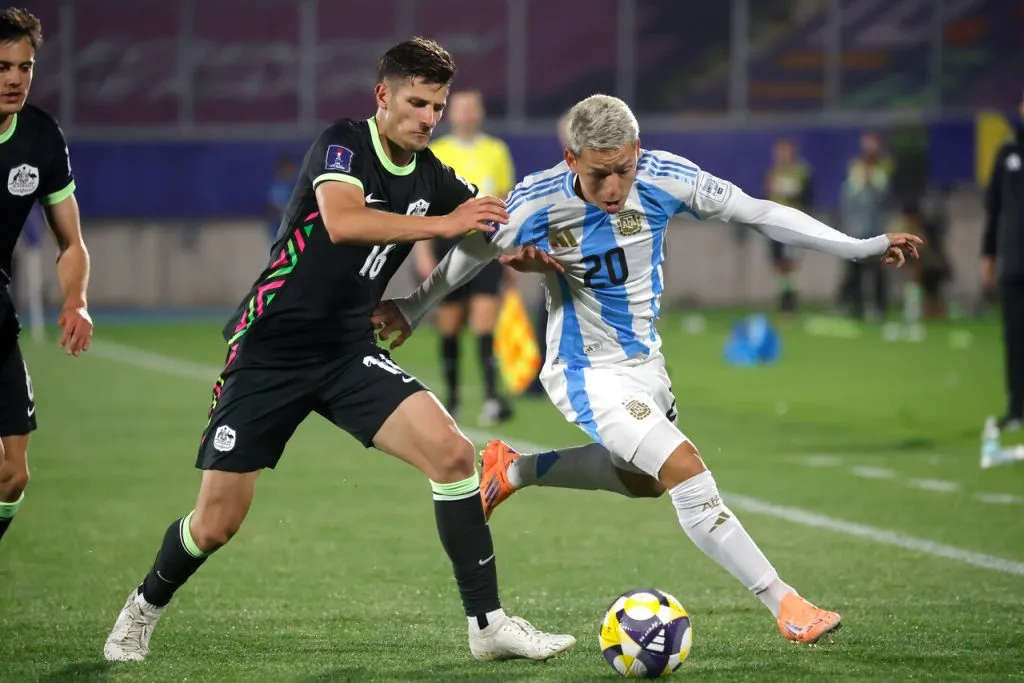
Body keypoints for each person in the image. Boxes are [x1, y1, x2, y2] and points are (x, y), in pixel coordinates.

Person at [373, 94, 922, 645]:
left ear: (638, 151)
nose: (613, 187)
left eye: (623, 171)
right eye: (598, 175)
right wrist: (415, 305)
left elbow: (758, 211)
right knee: (684, 467)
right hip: (585, 369)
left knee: (644, 482)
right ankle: (785, 603)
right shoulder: (536, 199)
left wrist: (857, 248)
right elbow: (476, 250)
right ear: (571, 160)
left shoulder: (667, 177)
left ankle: (512, 470)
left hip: (646, 367)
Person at [102, 38, 574, 664]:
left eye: (437, 105)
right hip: (269, 349)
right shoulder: (343, 142)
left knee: (455, 456)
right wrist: (442, 224)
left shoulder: (431, 173)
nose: (428, 118)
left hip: (347, 350)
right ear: (383, 96)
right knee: (216, 523)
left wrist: (517, 255)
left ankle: (488, 627)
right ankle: (141, 610)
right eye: (416, 102)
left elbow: (487, 228)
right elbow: (343, 222)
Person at [0, 8, 93, 546]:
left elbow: (71, 241)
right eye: (4, 66)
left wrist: (76, 299)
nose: (15, 78)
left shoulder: (40, 137)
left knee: (13, 475)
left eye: (25, 67)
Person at [414, 90, 516, 425]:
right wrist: (423, 251)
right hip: (448, 244)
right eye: (461, 108)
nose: (467, 114)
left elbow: (506, 202)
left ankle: (491, 397)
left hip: (486, 243)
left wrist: (510, 247)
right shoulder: (436, 152)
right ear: (449, 114)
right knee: (450, 324)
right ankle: (453, 398)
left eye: (473, 107)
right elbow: (423, 208)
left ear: (481, 112)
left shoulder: (496, 150)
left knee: (485, 319)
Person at [981, 91, 1024, 431]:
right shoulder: (1007, 154)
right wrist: (989, 255)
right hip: (1015, 263)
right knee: (1014, 338)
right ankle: (1017, 410)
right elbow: (993, 210)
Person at [838, 132, 894, 320]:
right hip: (857, 230)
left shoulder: (884, 168)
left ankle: (879, 307)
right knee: (854, 269)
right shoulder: (855, 168)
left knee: (879, 269)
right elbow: (848, 196)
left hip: (877, 228)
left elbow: (885, 197)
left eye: (873, 145)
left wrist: (873, 181)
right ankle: (854, 307)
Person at [763, 138, 812, 314]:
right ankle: (782, 302)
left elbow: (805, 194)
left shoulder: (800, 172)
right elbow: (768, 195)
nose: (781, 156)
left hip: (792, 223)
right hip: (774, 222)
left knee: (790, 264)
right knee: (778, 264)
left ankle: (790, 304)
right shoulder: (773, 172)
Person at [265, 154, 298, 247]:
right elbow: (272, 210)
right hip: (278, 232)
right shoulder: (277, 188)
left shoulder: (295, 184)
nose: (290, 171)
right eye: (287, 168)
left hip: (292, 233)